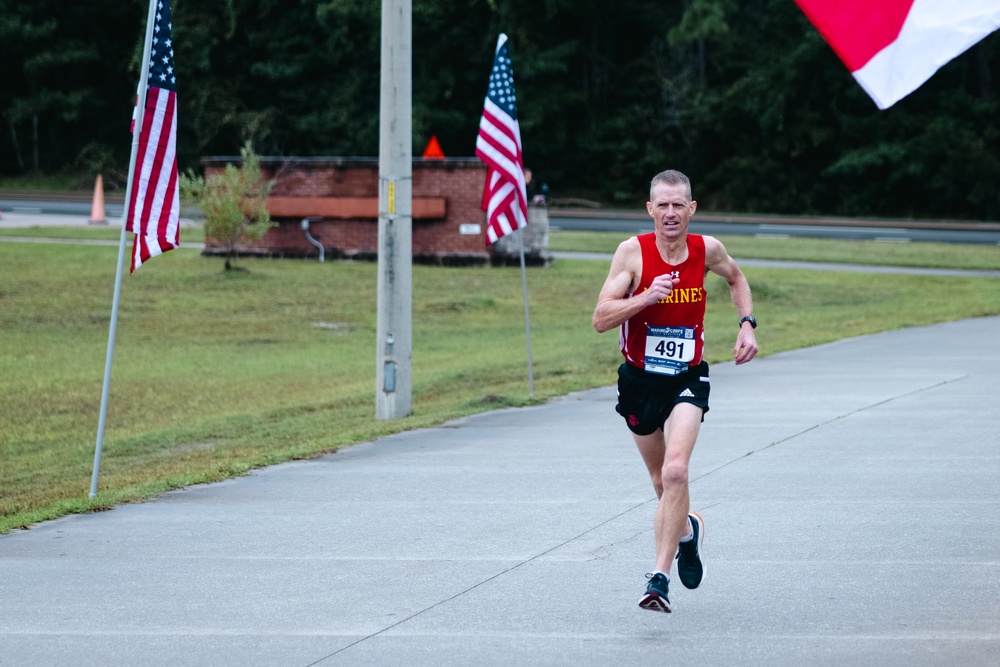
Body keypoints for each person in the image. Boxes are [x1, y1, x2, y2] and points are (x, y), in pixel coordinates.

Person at [592, 169, 758, 613]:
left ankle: (658, 578)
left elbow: (736, 279)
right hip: (640, 380)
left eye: (677, 205)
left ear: (691, 208)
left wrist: (747, 325)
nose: (669, 213)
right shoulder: (632, 254)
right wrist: (645, 298)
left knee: (676, 471)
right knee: (659, 482)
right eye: (661, 205)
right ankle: (687, 533)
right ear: (650, 209)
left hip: (687, 375)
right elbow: (601, 318)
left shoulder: (707, 250)